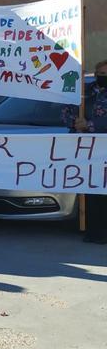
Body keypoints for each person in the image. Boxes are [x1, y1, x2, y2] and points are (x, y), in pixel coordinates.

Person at [62, 59, 107, 244]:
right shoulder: (84, 92)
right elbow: (66, 110)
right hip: (85, 152)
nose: (103, 78)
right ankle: (93, 231)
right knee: (90, 190)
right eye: (101, 74)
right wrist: (75, 122)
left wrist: (89, 125)